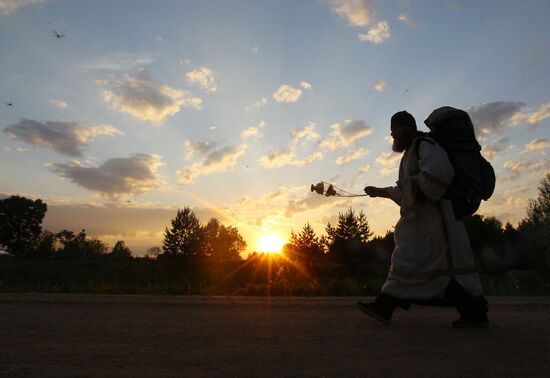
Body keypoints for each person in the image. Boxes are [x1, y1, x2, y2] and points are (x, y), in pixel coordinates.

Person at [358, 110, 489, 328]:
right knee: (426, 266)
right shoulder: (411, 151)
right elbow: (411, 186)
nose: (392, 135)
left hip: (439, 225)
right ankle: (385, 306)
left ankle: (385, 306)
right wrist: (380, 191)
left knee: (439, 266)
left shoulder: (426, 145)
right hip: (423, 226)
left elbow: (436, 180)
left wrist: (408, 186)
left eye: (395, 130)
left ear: (408, 127)